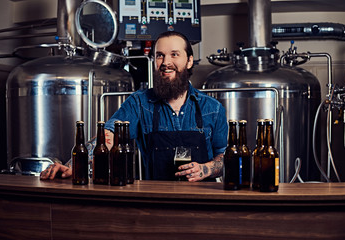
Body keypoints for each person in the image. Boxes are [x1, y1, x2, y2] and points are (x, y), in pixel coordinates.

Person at [40, 31, 228, 182]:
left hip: (202, 202)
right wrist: (74, 165)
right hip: (155, 202)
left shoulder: (213, 108)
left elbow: (225, 157)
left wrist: (206, 169)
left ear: (189, 61)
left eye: (174, 55)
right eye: (160, 56)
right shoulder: (139, 102)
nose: (166, 62)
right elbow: (109, 135)